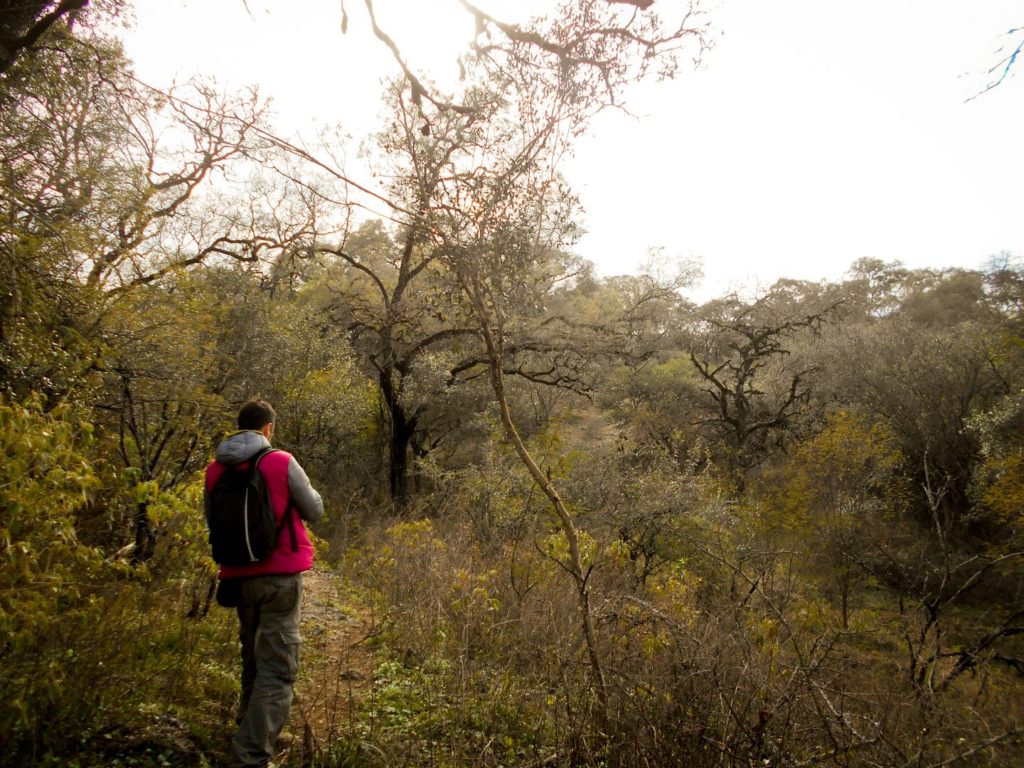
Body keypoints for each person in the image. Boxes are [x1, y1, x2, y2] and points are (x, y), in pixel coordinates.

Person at [204, 398, 324, 768]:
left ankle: (249, 728)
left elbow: (212, 521)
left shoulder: (214, 471)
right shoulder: (280, 461)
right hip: (280, 578)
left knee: (252, 658)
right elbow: (315, 510)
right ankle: (251, 756)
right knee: (278, 668)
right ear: (268, 428)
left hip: (238, 577)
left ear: (239, 427)